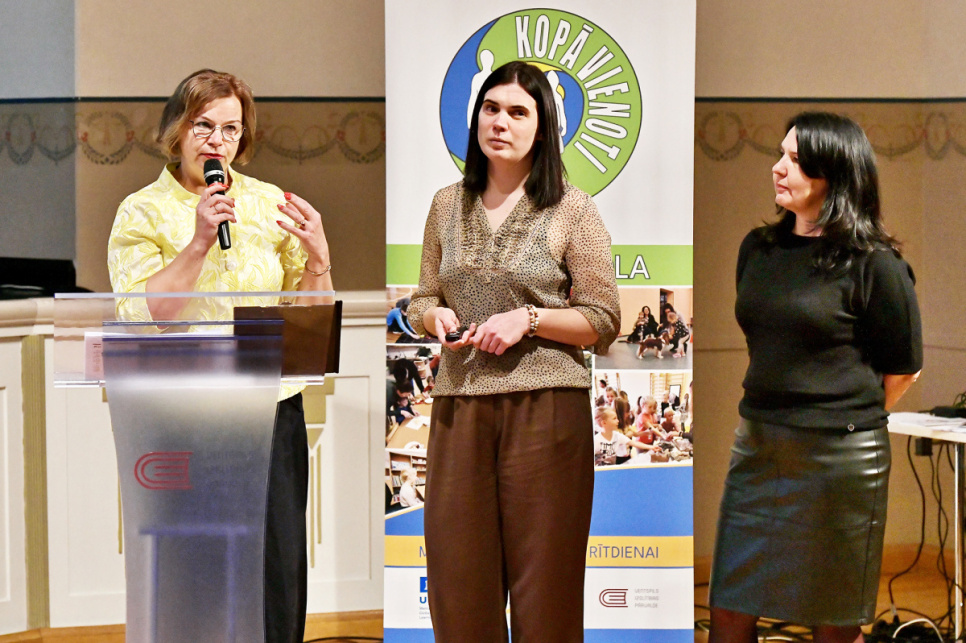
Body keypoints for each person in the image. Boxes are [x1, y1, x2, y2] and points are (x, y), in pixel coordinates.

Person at [107, 69, 332, 643]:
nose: (217, 141)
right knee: (196, 568)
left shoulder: (269, 202)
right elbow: (143, 314)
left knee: (277, 565)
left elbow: (307, 322)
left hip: (269, 407)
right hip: (185, 413)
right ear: (176, 130)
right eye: (203, 125)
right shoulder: (141, 211)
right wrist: (199, 242)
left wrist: (318, 260)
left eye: (231, 129)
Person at [408, 60, 620, 642]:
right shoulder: (445, 204)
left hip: (546, 409)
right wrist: (433, 316)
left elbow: (603, 319)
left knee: (545, 589)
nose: (500, 122)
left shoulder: (573, 208)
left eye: (518, 112)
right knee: (458, 585)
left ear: (543, 127)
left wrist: (528, 320)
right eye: (491, 108)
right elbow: (422, 296)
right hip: (459, 404)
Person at [708, 112, 922, 643]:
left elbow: (904, 368)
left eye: (797, 161)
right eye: (780, 154)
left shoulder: (876, 264)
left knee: (835, 618)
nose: (778, 168)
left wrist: (841, 416)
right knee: (730, 609)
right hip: (758, 449)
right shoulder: (758, 248)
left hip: (841, 462)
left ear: (835, 176)